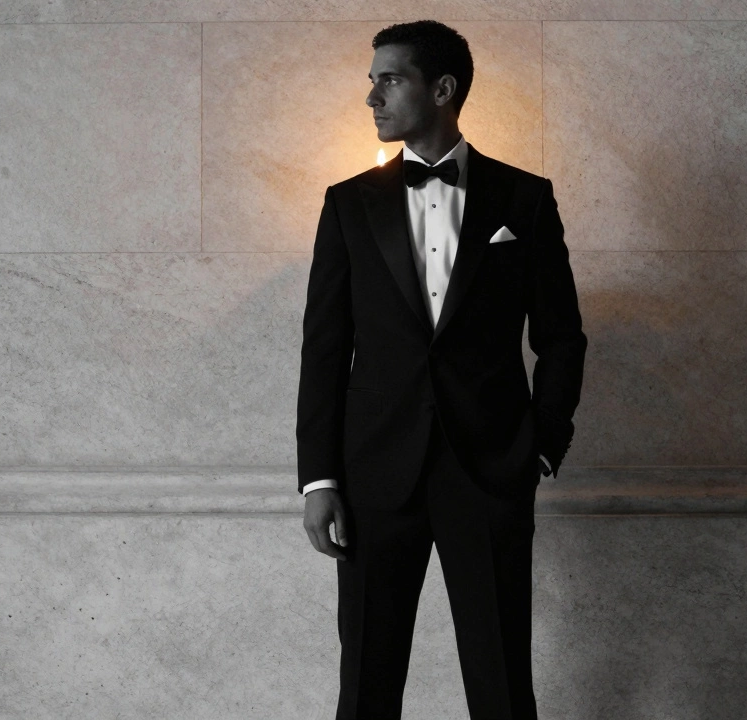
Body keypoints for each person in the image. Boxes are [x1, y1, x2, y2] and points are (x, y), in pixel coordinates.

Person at [296, 19, 587, 719]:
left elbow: (562, 337)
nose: (372, 96)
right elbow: (325, 350)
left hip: (488, 472)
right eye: (372, 81)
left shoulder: (525, 200)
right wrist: (319, 477)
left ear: (443, 88)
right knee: (366, 684)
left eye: (389, 79)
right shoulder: (347, 205)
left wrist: (541, 447)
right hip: (374, 476)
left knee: (502, 688)